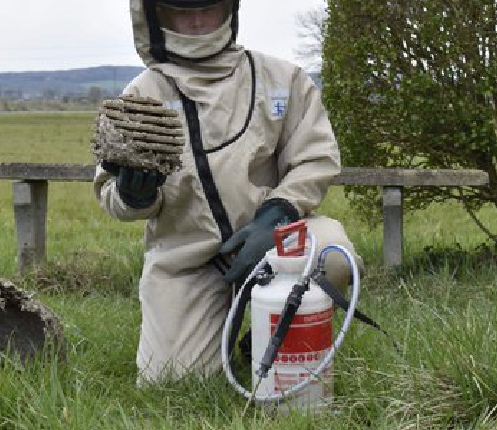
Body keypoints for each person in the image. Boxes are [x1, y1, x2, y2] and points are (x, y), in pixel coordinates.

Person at [93, 0, 363, 385]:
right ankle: (211, 336)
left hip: (274, 239)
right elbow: (110, 195)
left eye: (210, 8)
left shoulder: (282, 79)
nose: (199, 21)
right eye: (182, 12)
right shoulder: (142, 94)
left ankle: (269, 338)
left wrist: (277, 214)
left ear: (231, 9)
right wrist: (134, 196)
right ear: (157, 16)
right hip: (188, 259)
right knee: (173, 381)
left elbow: (315, 159)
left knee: (333, 253)